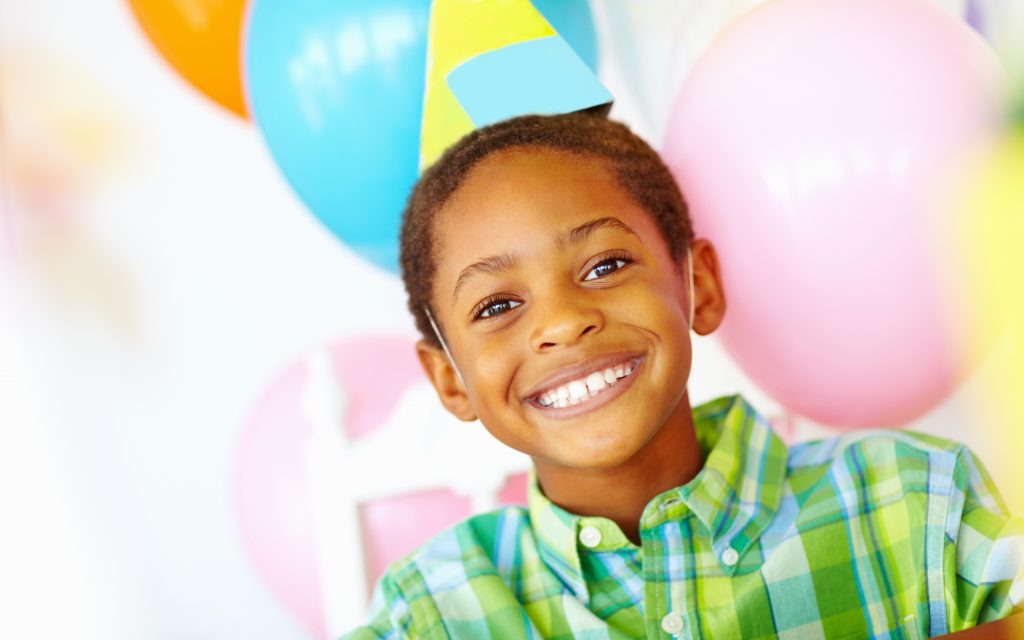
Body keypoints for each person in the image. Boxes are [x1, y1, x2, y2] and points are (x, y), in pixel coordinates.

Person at [342, 113, 1023, 639]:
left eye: (605, 266)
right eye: (498, 306)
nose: (562, 322)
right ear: (450, 380)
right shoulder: (427, 611)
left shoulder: (917, 500)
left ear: (696, 285)